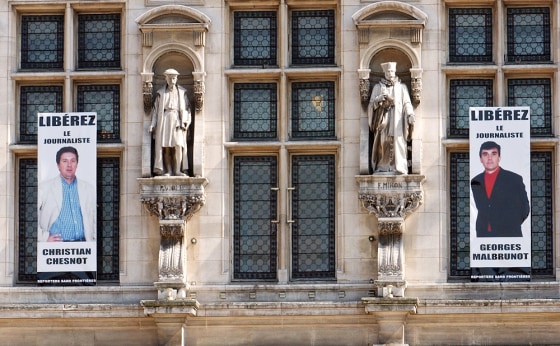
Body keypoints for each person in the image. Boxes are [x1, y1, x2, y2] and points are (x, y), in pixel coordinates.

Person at [471, 141, 530, 237]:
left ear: (499, 157)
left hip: (509, 234)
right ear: (481, 159)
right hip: (484, 234)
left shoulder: (514, 179)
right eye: (485, 154)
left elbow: (525, 207)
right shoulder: (475, 181)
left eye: (493, 154)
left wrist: (512, 224)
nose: (489, 158)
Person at [38, 146, 96, 242]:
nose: (69, 165)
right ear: (58, 165)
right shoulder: (44, 188)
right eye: (65, 161)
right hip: (56, 250)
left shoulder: (88, 189)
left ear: (77, 164)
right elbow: (31, 218)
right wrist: (44, 238)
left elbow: (94, 218)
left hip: (84, 249)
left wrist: (93, 240)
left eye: (73, 161)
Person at [368, 61, 415, 174]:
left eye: (392, 71)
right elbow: (371, 105)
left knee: (397, 141)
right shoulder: (378, 87)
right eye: (388, 71)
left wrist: (410, 114)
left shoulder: (402, 87)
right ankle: (382, 166)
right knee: (383, 142)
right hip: (383, 118)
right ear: (384, 72)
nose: (391, 73)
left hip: (397, 120)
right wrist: (378, 100)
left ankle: (397, 166)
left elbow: (407, 103)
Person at [149, 68, 191, 176]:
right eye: (170, 78)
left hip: (177, 120)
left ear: (177, 79)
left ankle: (178, 170)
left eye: (174, 78)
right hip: (165, 120)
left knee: (178, 145)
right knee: (166, 147)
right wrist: (153, 124)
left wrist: (185, 121)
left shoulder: (182, 92)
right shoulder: (161, 93)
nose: (172, 80)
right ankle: (168, 171)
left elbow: (187, 108)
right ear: (166, 79)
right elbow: (156, 111)